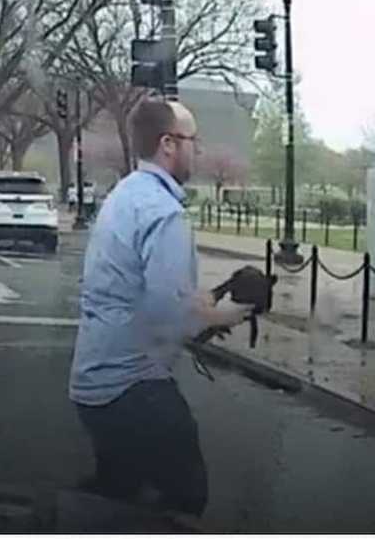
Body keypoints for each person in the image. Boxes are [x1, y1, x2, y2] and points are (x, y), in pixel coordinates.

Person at [68, 97, 252, 518]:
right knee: (185, 498)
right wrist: (232, 313)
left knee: (117, 498)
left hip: (94, 382)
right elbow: (172, 315)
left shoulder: (127, 194)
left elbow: (142, 290)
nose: (198, 150)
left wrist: (202, 303)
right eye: (192, 140)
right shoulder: (164, 213)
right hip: (132, 385)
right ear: (168, 144)